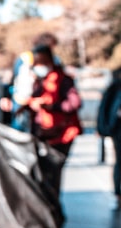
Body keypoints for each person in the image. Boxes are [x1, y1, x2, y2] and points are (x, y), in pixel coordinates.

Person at [18, 43, 82, 197]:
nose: (38, 66)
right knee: (42, 176)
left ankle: (52, 207)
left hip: (61, 135)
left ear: (49, 61)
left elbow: (75, 103)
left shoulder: (63, 80)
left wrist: (52, 106)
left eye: (41, 62)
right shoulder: (39, 80)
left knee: (53, 175)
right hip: (43, 134)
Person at [8, 32, 59, 130]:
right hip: (21, 102)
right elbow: (14, 80)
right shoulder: (24, 59)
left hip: (41, 106)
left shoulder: (55, 61)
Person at [97, 67, 121, 202]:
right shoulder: (115, 89)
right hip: (117, 131)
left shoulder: (113, 88)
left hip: (115, 130)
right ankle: (118, 192)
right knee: (119, 162)